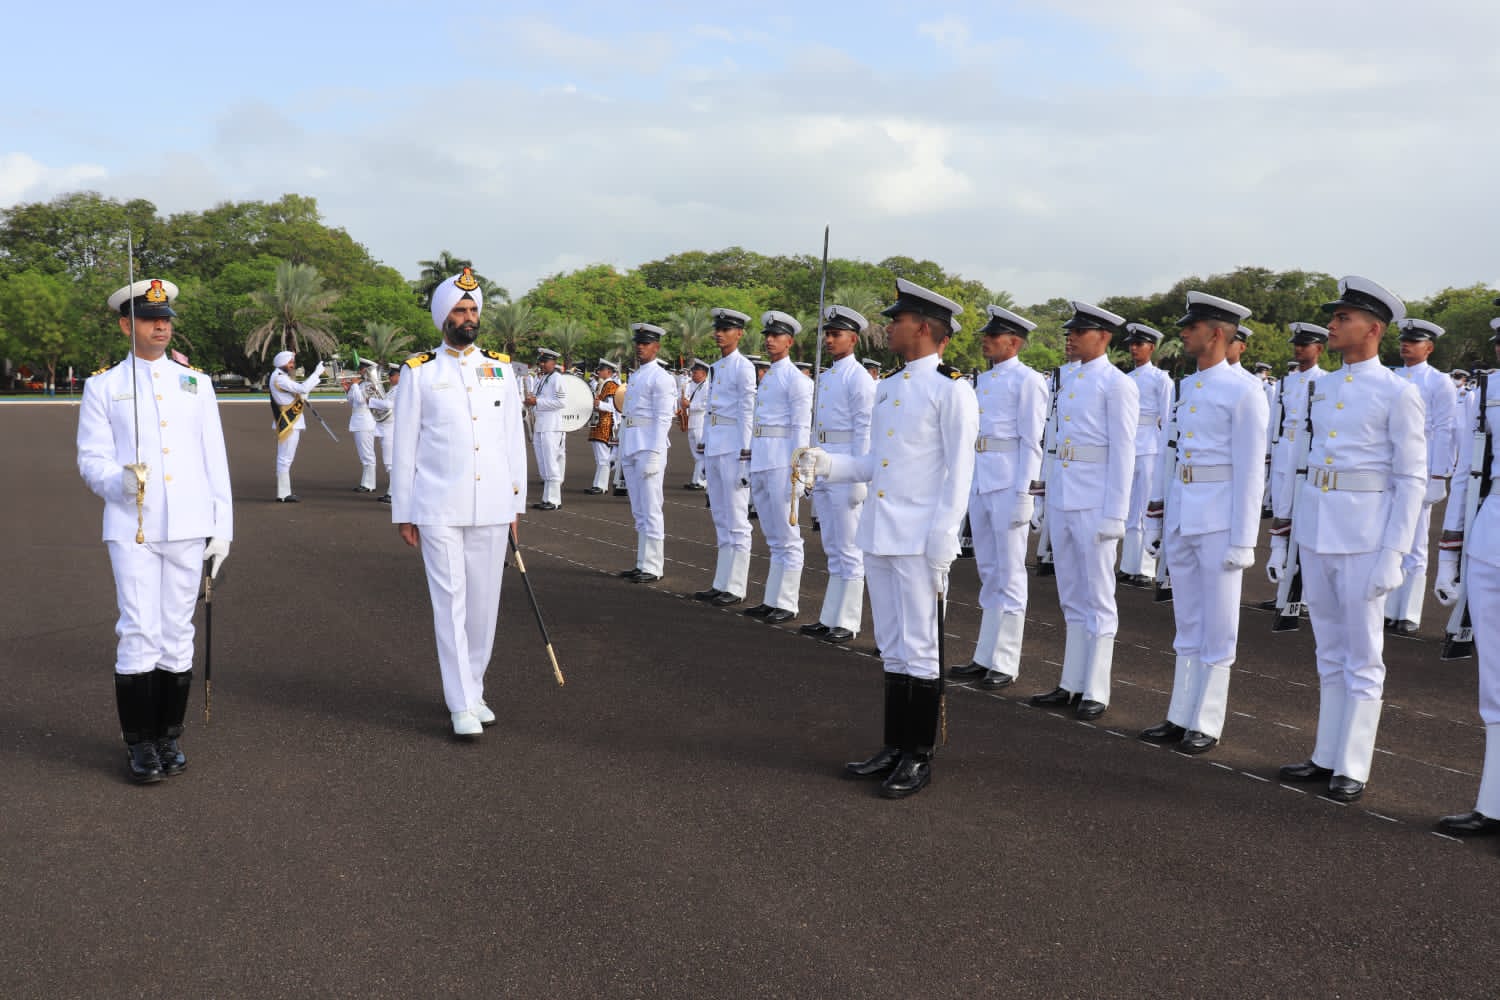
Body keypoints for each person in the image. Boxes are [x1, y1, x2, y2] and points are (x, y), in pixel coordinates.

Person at [797, 278, 978, 799]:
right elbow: (876, 464)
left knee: (922, 647)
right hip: (880, 531)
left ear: (923, 328)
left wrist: (946, 537)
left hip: (921, 537)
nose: (890, 327)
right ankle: (895, 745)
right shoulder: (891, 388)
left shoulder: (952, 389)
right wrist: (828, 464)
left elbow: (958, 473)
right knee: (894, 647)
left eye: (897, 320)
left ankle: (919, 754)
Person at [1272, 276, 1424, 802]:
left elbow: (1411, 480)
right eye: (1334, 318)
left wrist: (1394, 554)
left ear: (1373, 329)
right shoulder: (1323, 387)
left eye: (1343, 319)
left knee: (1363, 654)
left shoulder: (1399, 393)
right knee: (1329, 649)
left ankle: (1353, 764)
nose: (1332, 326)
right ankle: (1325, 754)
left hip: (1364, 537)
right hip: (1319, 530)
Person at [77, 277, 233, 783]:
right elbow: (91, 460)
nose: (160, 325)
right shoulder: (104, 386)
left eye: (165, 318)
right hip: (133, 526)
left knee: (177, 631)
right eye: (148, 318)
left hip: (189, 524)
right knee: (138, 630)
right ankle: (139, 743)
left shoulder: (197, 384)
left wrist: (222, 528)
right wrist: (120, 481)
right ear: (128, 324)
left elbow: (216, 462)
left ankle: (168, 736)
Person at [389, 268, 528, 737]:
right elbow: (404, 445)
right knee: (449, 602)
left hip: (491, 505)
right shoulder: (420, 372)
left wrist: (515, 506)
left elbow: (513, 441)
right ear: (441, 317)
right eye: (459, 310)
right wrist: (404, 512)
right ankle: (460, 702)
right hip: (438, 506)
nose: (468, 318)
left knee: (484, 604)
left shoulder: (500, 368)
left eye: (473, 310)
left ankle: (474, 687)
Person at [1138, 292, 1269, 753]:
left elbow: (1253, 471)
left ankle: (1207, 721)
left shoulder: (1245, 391)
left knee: (1218, 625)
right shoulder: (1189, 387)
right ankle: (1180, 713)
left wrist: (1243, 540)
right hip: (1185, 511)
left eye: (1191, 327)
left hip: (1219, 520)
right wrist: (1162, 517)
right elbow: (1175, 457)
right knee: (1187, 622)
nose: (1183, 333)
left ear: (1216, 333)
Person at [1028, 302, 1139, 720]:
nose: (1070, 337)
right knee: (1071, 596)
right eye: (1069, 331)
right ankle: (1070, 682)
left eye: (1081, 331)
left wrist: (1116, 514)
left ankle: (1095, 688)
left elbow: (1124, 453)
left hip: (1095, 503)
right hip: (1066, 497)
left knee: (1098, 598)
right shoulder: (1068, 380)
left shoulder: (1117, 384)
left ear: (1105, 337)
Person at [947, 305, 1047, 688]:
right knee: (988, 572)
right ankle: (984, 654)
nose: (986, 341)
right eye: (986, 335)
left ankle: (1005, 661)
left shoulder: (1028, 381)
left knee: (1009, 574)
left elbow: (1031, 442)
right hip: (981, 480)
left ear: (1014, 341)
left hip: (1008, 484)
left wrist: (1025, 493)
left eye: (993, 336)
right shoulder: (983, 381)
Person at [1434, 358, 1500, 834]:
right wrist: (1450, 554)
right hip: (1491, 534)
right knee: (1495, 687)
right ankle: (1492, 804)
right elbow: (1467, 476)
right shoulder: (1485, 392)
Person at [801, 306, 877, 644]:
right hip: (824, 463)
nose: (829, 340)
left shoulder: (859, 377)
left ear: (854, 339)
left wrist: (859, 478)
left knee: (848, 548)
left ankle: (847, 620)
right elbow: (817, 427)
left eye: (836, 334)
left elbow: (865, 429)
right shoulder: (827, 376)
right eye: (827, 334)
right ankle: (829, 616)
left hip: (846, 466)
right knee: (832, 546)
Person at [1384, 319, 1458, 637]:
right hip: (1389, 467)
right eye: (1403, 340)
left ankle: (1409, 613)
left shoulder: (1439, 382)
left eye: (1414, 342)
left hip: (1421, 468)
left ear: (1429, 348)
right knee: (1387, 540)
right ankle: (1387, 610)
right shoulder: (1390, 377)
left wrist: (1439, 475)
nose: (1406, 345)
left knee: (1414, 544)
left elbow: (1446, 431)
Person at [743, 311, 813, 623]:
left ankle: (786, 602)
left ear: (790, 341)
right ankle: (772, 598)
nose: (770, 340)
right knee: (772, 536)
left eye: (777, 336)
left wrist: (797, 471)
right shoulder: (769, 376)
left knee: (787, 536)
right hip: (763, 459)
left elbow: (800, 430)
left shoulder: (796, 380)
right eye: (768, 335)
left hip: (781, 463)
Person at [694, 308, 757, 606]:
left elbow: (747, 412)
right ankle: (721, 582)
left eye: (726, 329)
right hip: (717, 446)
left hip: (734, 448)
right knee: (720, 517)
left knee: (737, 519)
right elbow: (708, 411)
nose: (719, 333)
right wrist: (704, 447)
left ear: (739, 333)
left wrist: (746, 455)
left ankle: (736, 585)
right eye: (718, 328)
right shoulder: (716, 366)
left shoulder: (744, 367)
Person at [616, 325, 676, 582]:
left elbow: (664, 419)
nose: (640, 346)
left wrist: (655, 452)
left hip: (648, 447)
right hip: (631, 444)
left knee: (651, 508)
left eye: (646, 342)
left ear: (656, 346)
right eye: (638, 342)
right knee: (639, 509)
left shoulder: (661, 377)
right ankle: (642, 562)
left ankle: (653, 566)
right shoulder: (638, 375)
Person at [1120, 323, 1173, 587]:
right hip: (1130, 444)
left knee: (1145, 508)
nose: (1133, 348)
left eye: (1138, 344)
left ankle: (1145, 567)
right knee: (1130, 508)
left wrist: (1164, 453)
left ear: (1151, 348)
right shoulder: (1127, 378)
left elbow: (1167, 417)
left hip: (1151, 444)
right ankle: (1128, 564)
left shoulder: (1160, 378)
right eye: (1131, 344)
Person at [269, 349, 326, 502]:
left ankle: (284, 493)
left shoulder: (281, 376)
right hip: (289, 422)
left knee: (285, 458)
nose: (292, 365)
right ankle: (283, 494)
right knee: (285, 459)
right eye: (290, 362)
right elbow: (302, 388)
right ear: (282, 363)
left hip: (292, 421)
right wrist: (316, 374)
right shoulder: (280, 378)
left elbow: (297, 392)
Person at [525, 347, 567, 510]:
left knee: (551, 462)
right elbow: (537, 398)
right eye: (540, 362)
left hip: (552, 425)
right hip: (540, 424)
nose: (542, 365)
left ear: (553, 362)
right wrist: (530, 402)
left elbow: (561, 403)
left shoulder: (557, 378)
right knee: (543, 462)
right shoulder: (543, 378)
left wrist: (538, 402)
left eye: (545, 361)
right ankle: (546, 498)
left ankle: (554, 500)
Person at [343, 367, 381, 494]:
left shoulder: (370, 385)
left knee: (367, 454)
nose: (359, 373)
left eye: (362, 370)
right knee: (364, 454)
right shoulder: (361, 384)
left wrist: (354, 385)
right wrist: (347, 389)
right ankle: (366, 483)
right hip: (358, 421)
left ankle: (370, 485)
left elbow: (361, 400)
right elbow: (352, 401)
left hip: (365, 421)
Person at [587, 359, 621, 495]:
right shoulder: (602, 385)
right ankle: (598, 484)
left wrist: (598, 404)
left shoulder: (612, 386)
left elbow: (613, 407)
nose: (599, 372)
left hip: (606, 424)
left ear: (609, 371)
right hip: (598, 423)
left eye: (601, 369)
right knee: (599, 457)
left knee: (603, 457)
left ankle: (601, 486)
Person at [680, 359, 710, 490]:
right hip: (692, 422)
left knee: (701, 452)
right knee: (696, 454)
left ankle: (701, 481)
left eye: (695, 372)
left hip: (701, 422)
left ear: (703, 373)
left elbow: (705, 405)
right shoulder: (692, 384)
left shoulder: (707, 386)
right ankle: (696, 479)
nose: (693, 374)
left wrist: (690, 405)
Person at [376, 364, 400, 503]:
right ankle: (391, 492)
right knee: (389, 463)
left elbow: (388, 405)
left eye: (391, 375)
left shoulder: (399, 389)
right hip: (387, 428)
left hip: (392, 429)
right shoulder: (393, 389)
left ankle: (393, 493)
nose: (389, 378)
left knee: (391, 463)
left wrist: (372, 401)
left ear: (399, 376)